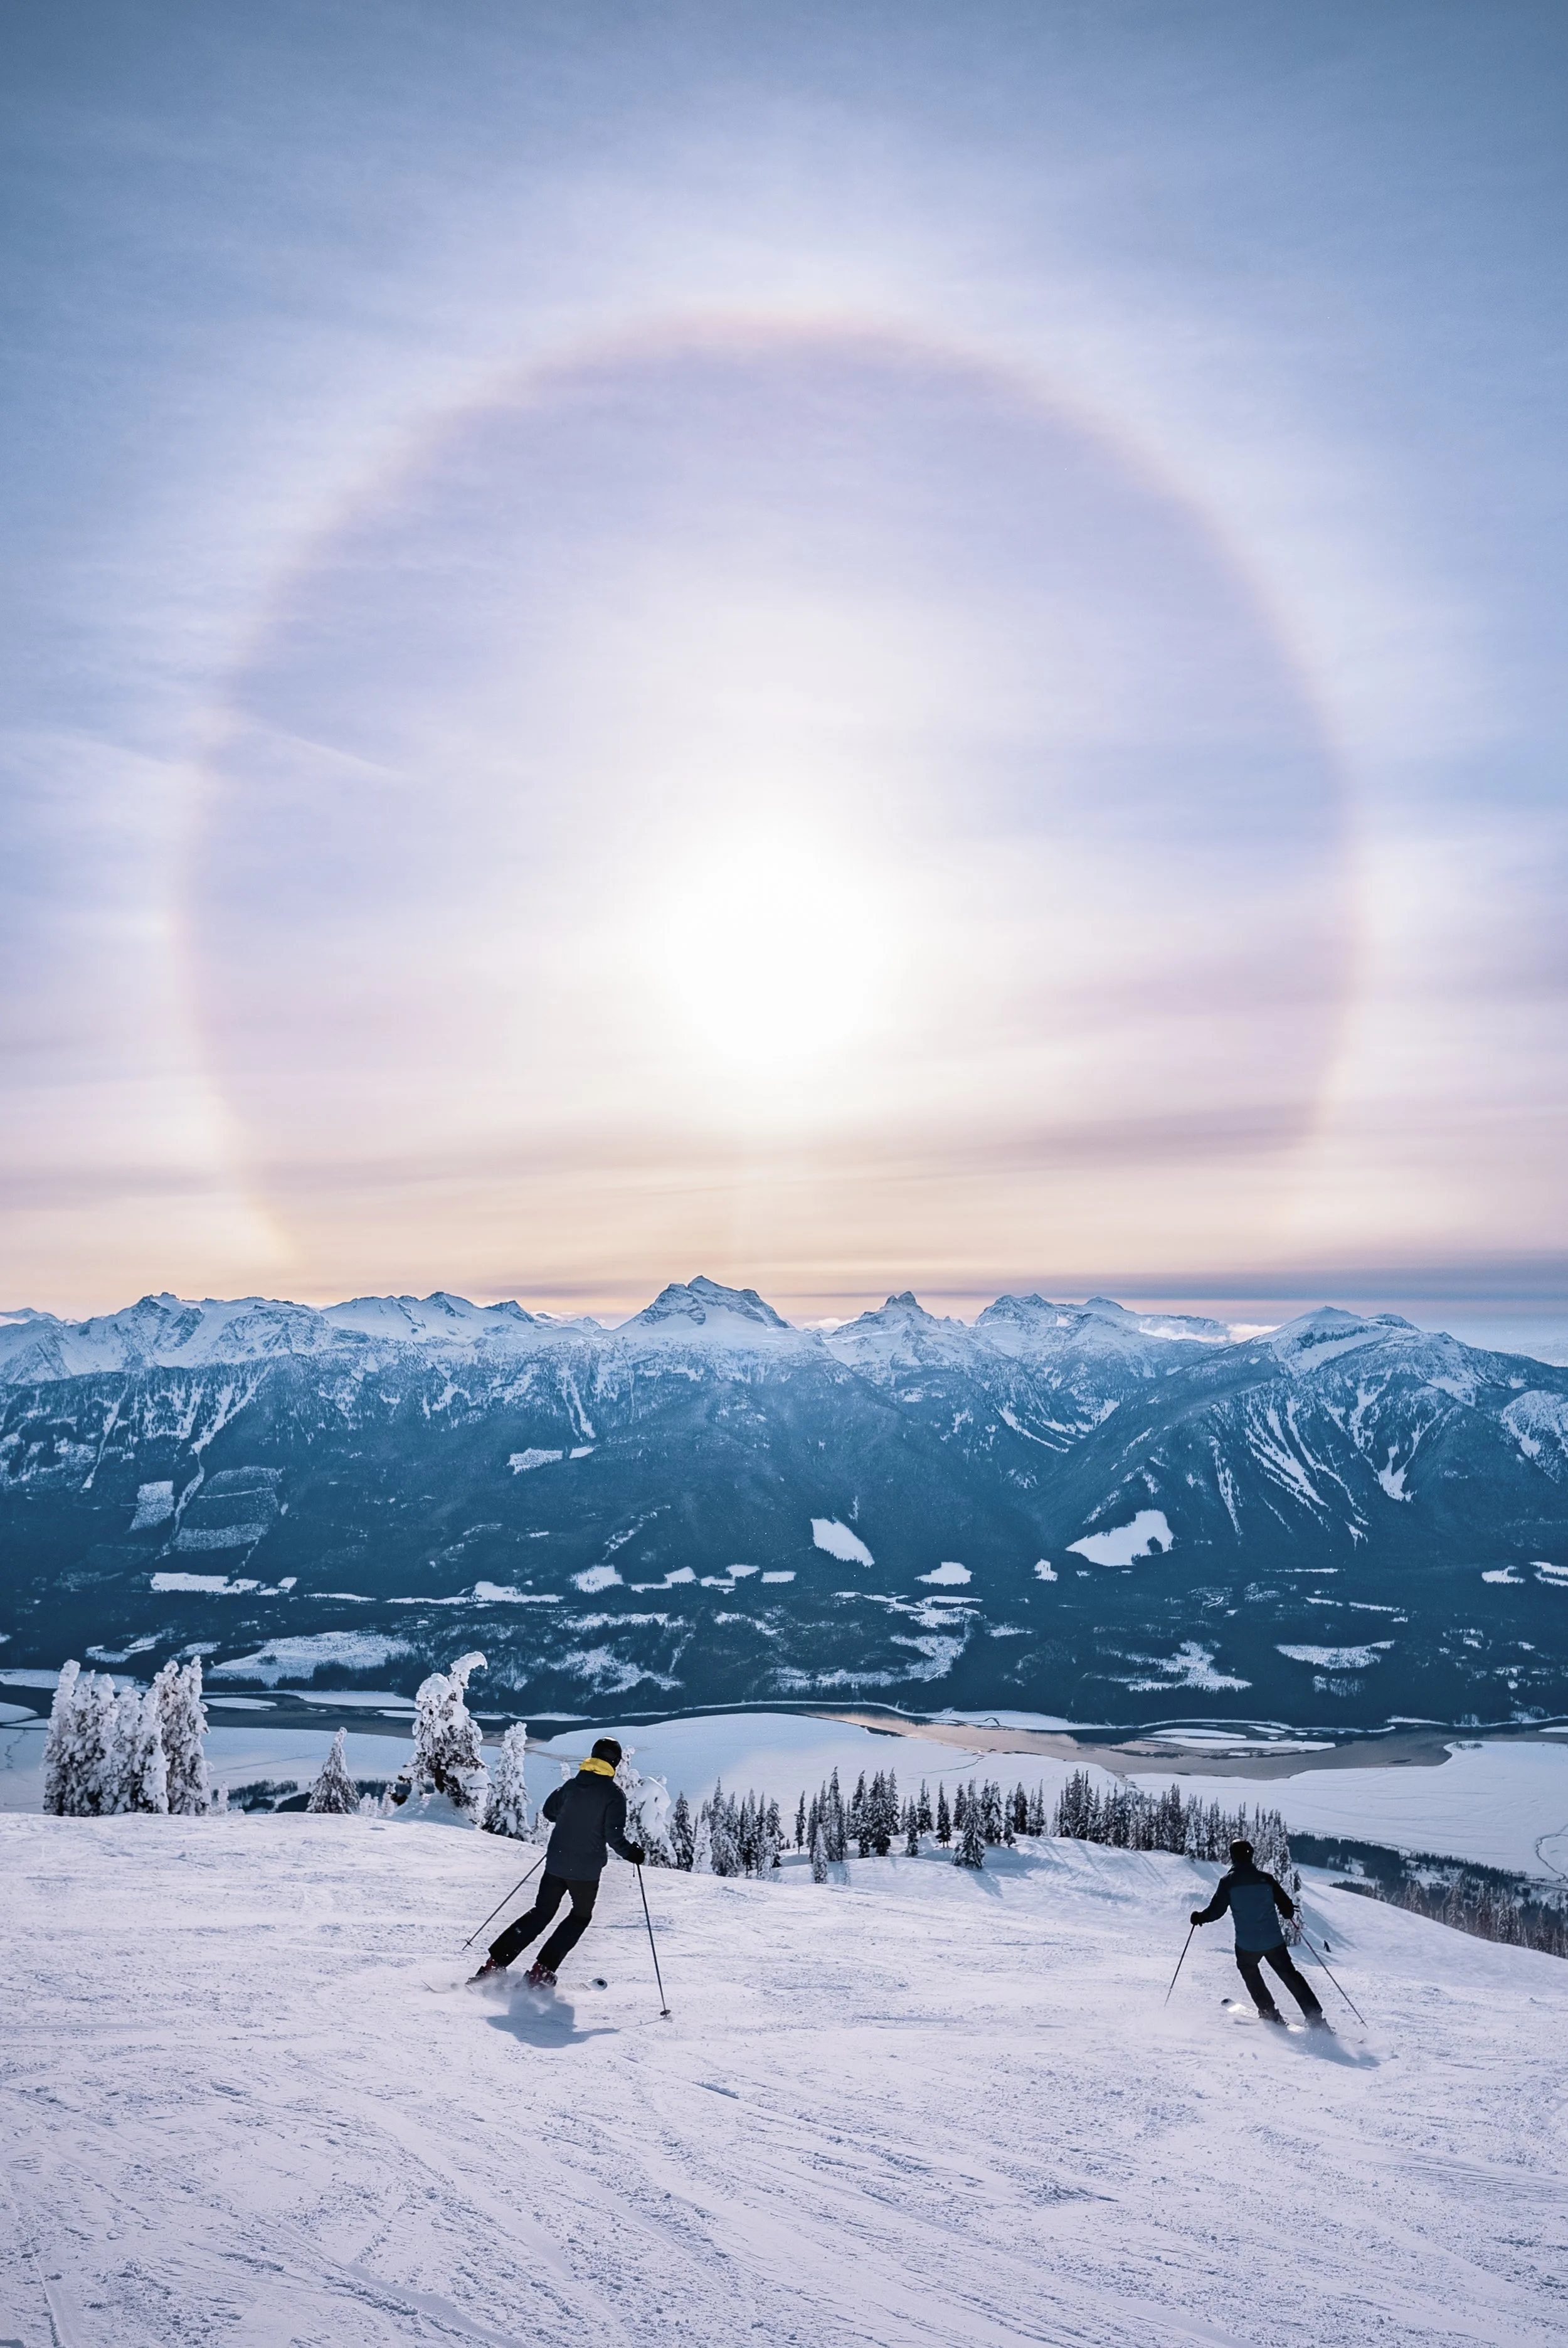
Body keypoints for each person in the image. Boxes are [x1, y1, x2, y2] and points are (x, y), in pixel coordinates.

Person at [470, 1738, 645, 1987]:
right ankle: (542, 1971)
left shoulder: (572, 1786)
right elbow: (613, 1836)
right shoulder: (613, 1795)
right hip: (584, 1873)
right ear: (615, 1763)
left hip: (556, 1864)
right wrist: (633, 1853)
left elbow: (549, 1812)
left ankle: (495, 1965)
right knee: (580, 1916)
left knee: (541, 1913)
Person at [1190, 1839, 1327, 2027]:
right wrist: (1287, 1912)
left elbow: (1216, 1911)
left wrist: (1199, 1917)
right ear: (1251, 1856)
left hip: (1247, 1944)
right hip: (1274, 1941)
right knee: (1290, 1975)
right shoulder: (1266, 1879)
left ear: (1233, 1857)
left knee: (1249, 1970)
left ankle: (1269, 2012)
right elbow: (1287, 1909)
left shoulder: (1228, 1882)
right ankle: (1315, 2018)